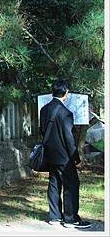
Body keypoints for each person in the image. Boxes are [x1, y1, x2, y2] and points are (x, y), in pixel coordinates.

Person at [40, 79, 90, 229]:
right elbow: (69, 138)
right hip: (64, 156)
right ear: (66, 93)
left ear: (52, 92)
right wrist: (76, 157)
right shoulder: (66, 113)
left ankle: (54, 216)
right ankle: (70, 218)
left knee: (54, 183)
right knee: (72, 184)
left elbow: (42, 131)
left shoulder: (44, 109)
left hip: (50, 154)